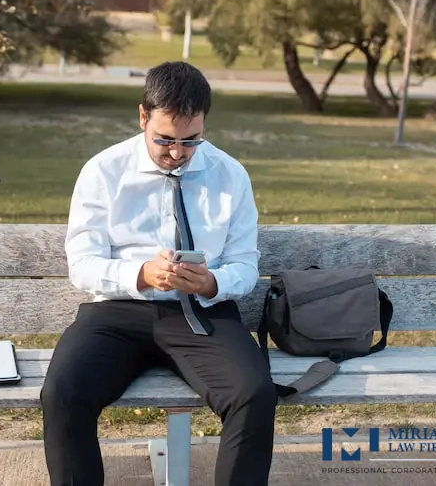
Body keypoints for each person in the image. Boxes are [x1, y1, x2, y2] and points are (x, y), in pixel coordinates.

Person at [40, 61, 278, 486]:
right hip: (116, 313)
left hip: (201, 314)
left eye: (191, 141)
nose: (177, 152)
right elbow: (82, 264)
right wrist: (141, 274)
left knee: (254, 393)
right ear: (142, 116)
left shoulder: (230, 175)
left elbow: (245, 264)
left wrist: (212, 282)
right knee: (63, 393)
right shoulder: (103, 171)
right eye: (164, 139)